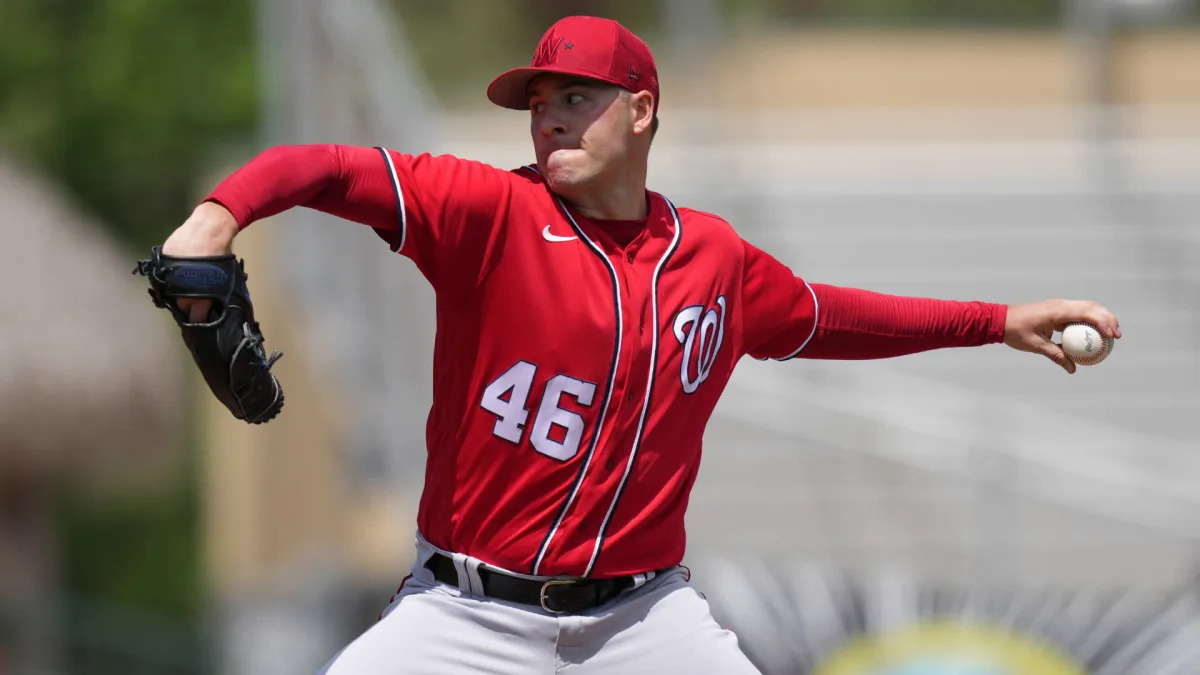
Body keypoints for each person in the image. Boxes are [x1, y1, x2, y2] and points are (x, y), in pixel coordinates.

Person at [161, 15, 1121, 675]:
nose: (550, 117)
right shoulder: (488, 211)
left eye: (577, 96)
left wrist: (998, 322)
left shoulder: (713, 258)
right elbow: (322, 165)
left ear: (642, 109)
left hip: (641, 619)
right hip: (466, 614)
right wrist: (215, 218)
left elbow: (833, 317)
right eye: (540, 101)